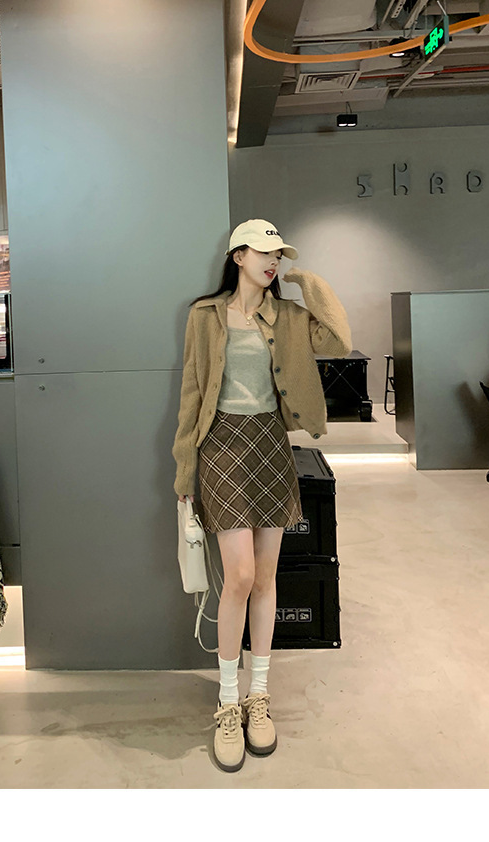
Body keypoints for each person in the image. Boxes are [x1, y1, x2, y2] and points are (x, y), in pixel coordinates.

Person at [172, 219, 352, 772]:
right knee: (241, 577)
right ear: (238, 256)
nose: (274, 261)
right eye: (265, 252)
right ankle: (228, 702)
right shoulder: (205, 315)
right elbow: (192, 392)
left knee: (268, 578)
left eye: (279, 254)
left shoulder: (289, 317)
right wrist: (184, 474)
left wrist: (306, 282)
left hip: (271, 444)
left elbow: (339, 339)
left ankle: (259, 696)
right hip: (222, 447)